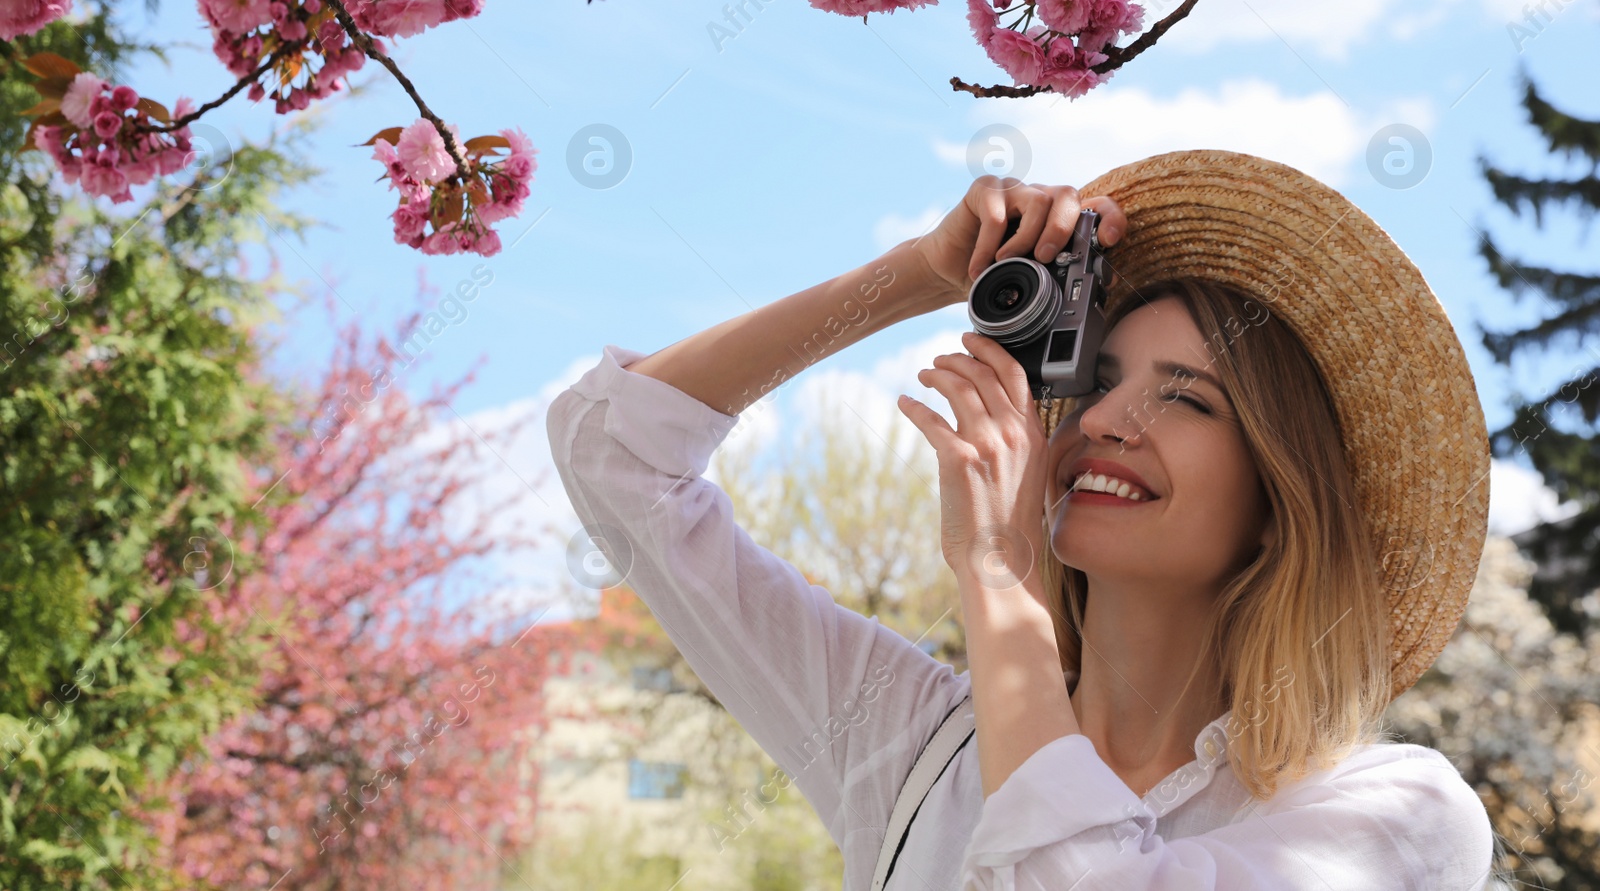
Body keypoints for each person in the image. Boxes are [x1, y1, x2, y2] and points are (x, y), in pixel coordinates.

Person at [545, 149, 1497, 889]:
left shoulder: (1391, 812)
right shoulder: (909, 737)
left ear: (1276, 508)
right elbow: (613, 453)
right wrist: (920, 272)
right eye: (1102, 379)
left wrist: (1001, 583)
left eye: (1188, 400)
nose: (1104, 421)